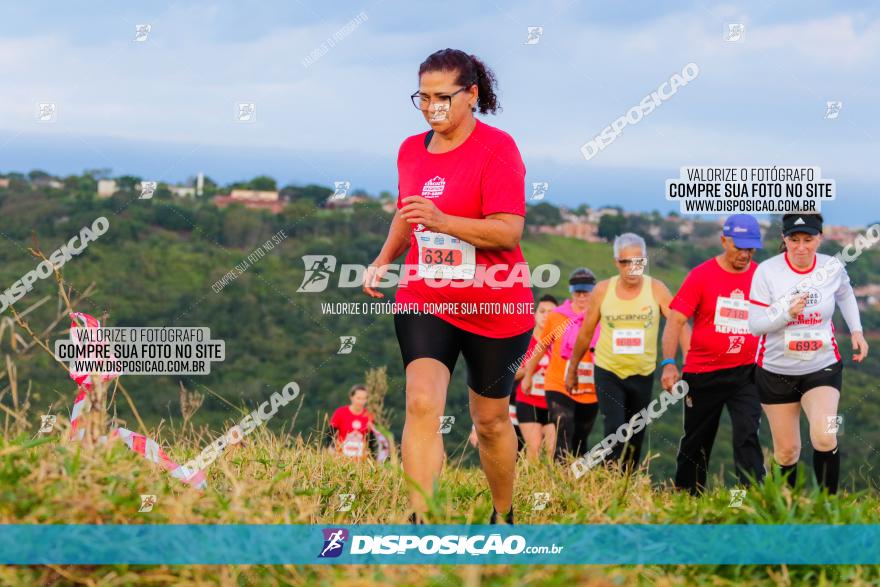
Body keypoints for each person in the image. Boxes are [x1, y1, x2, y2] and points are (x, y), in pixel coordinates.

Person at [363, 48, 534, 524]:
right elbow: (408, 214)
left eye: (444, 96)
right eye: (424, 96)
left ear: (471, 94)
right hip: (426, 296)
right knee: (420, 402)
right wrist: (382, 260)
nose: (432, 106)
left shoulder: (498, 148)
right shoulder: (409, 150)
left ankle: (504, 515)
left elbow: (507, 231)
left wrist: (445, 220)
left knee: (491, 420)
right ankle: (421, 521)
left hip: (495, 305)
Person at [748, 213, 868, 494]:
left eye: (808, 239)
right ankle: (785, 513)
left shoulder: (832, 266)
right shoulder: (767, 271)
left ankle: (827, 510)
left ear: (820, 239)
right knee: (788, 451)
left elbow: (845, 295)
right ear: (784, 239)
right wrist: (786, 315)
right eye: (794, 239)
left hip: (822, 367)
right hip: (776, 371)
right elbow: (755, 325)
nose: (801, 246)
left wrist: (857, 331)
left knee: (825, 436)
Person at [566, 233, 690, 471]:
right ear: (616, 262)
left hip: (642, 373)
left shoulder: (656, 289)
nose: (633, 268)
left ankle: (627, 481)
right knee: (614, 426)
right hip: (607, 370)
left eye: (639, 262)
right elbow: (585, 332)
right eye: (626, 262)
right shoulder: (603, 290)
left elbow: (679, 323)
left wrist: (686, 363)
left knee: (635, 433)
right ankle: (609, 477)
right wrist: (572, 369)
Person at [660, 215, 766, 494]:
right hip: (703, 373)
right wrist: (669, 363)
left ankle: (752, 499)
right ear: (724, 241)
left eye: (750, 248)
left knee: (747, 435)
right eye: (739, 247)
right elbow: (675, 320)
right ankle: (686, 497)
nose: (745, 254)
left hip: (746, 373)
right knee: (697, 440)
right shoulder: (701, 275)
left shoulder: (761, 276)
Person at [523, 271, 600, 461]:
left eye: (586, 292)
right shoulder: (556, 317)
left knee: (580, 436)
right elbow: (541, 347)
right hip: (558, 383)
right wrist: (528, 375)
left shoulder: (601, 316)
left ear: (594, 292)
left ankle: (577, 476)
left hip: (590, 387)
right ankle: (560, 473)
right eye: (578, 292)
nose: (582, 296)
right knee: (563, 424)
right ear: (571, 292)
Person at [511, 294, 559, 461]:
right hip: (528, 401)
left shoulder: (560, 343)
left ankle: (550, 484)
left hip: (552, 403)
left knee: (553, 449)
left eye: (551, 312)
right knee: (534, 448)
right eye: (542, 311)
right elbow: (510, 375)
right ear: (534, 315)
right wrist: (528, 370)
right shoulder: (524, 342)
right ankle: (530, 485)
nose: (546, 315)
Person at [326, 384, 375, 461]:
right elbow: (330, 433)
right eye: (358, 398)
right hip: (341, 457)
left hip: (361, 460)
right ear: (351, 397)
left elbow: (371, 440)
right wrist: (330, 448)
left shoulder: (369, 416)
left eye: (364, 399)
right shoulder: (340, 412)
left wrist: (371, 458)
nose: (361, 402)